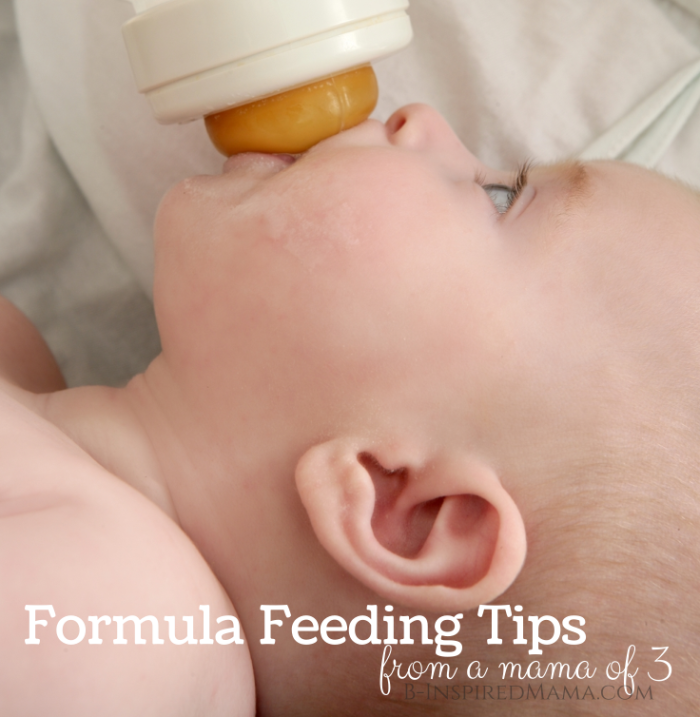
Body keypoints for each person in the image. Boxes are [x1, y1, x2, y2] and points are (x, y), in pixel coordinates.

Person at [1, 102, 698, 714]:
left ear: (402, 509)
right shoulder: (33, 391)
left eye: (498, 195)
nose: (420, 118)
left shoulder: (112, 632)